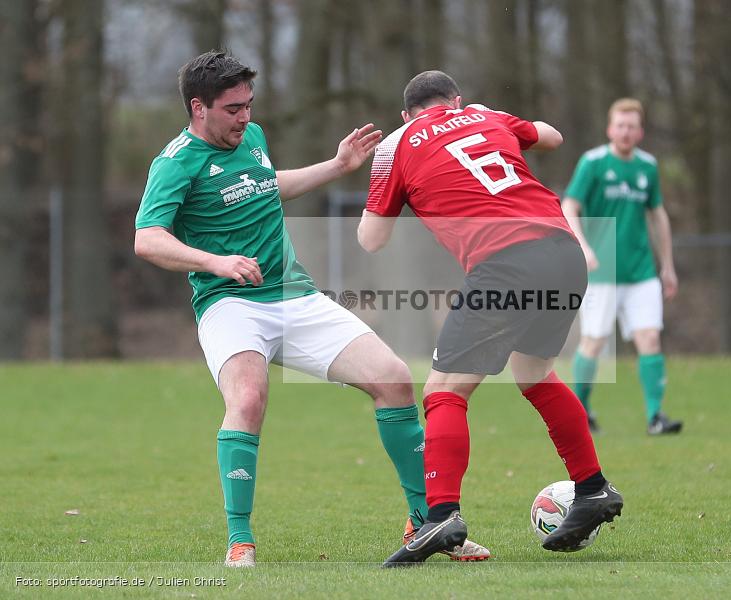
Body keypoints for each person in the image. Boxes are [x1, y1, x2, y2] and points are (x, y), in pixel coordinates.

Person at [133, 52, 489, 567]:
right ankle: (240, 541)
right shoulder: (175, 162)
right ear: (198, 107)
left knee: (394, 378)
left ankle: (428, 524)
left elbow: (267, 186)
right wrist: (215, 262)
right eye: (233, 109)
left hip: (294, 296)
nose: (245, 118)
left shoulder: (249, 139)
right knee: (249, 399)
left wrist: (338, 166)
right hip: (229, 304)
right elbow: (147, 239)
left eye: (249, 106)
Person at [359, 70, 623, 567]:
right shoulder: (481, 113)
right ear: (455, 100)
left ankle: (440, 515)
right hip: (563, 253)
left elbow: (371, 239)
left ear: (404, 115)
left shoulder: (396, 146)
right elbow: (552, 136)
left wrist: (385, 175)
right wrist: (490, 120)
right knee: (535, 374)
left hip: (506, 264)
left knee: (443, 390)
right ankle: (591, 488)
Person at [561, 98, 683, 436]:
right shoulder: (593, 163)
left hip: (641, 271)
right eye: (620, 125)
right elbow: (569, 206)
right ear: (609, 128)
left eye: (632, 126)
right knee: (594, 342)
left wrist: (667, 265)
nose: (626, 132)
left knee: (649, 339)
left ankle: (655, 416)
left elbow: (657, 215)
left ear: (640, 132)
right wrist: (583, 248)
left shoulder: (647, 166)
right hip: (601, 270)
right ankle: (580, 412)